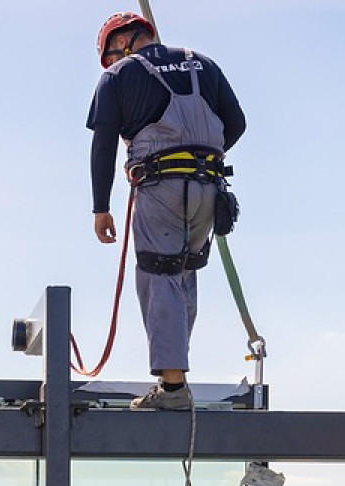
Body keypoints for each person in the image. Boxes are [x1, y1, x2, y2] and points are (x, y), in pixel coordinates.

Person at [87, 12, 247, 411]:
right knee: (182, 275)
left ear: (122, 42)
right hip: (209, 189)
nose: (111, 61)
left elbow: (104, 143)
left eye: (111, 54)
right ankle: (175, 376)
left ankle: (173, 388)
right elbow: (238, 123)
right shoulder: (203, 63)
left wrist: (101, 207)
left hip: (160, 186)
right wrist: (201, 155)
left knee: (158, 275)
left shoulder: (118, 76)